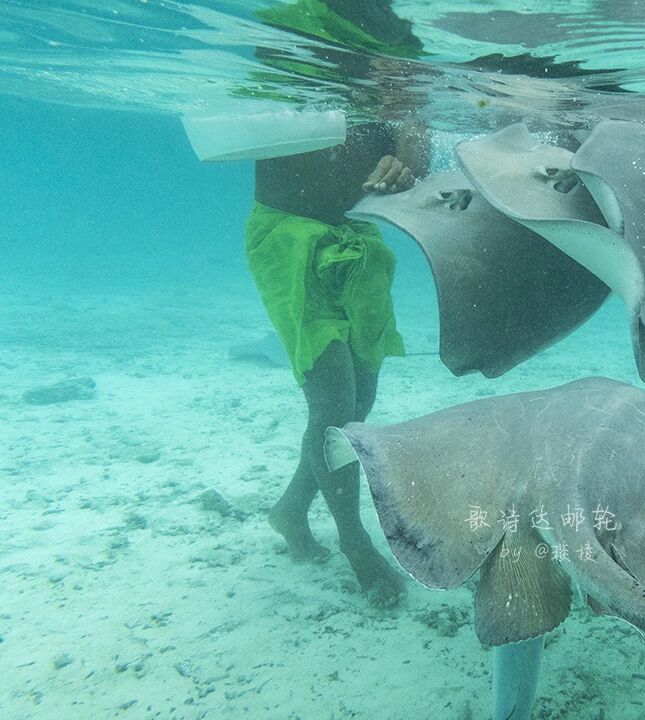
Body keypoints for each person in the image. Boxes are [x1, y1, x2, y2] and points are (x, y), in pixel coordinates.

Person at [244, 1, 428, 608]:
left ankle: (291, 509)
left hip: (355, 242)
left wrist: (407, 159)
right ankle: (357, 545)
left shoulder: (402, 43)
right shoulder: (294, 23)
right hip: (289, 240)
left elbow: (416, 150)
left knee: (360, 401)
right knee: (332, 404)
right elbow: (254, 104)